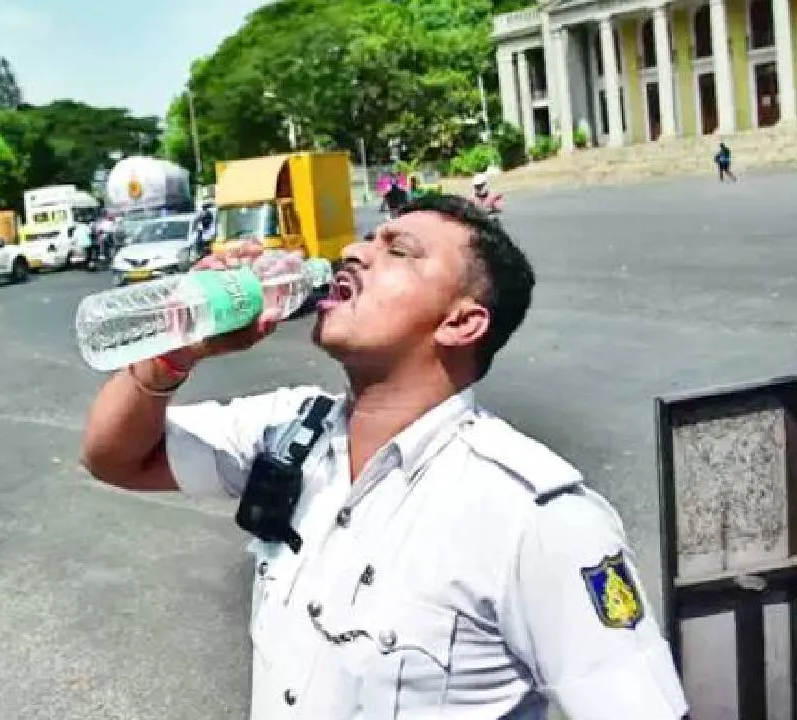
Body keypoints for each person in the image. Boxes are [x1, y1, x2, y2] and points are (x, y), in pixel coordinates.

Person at [80, 195, 688, 719]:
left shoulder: (533, 518)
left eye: (398, 250)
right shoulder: (290, 430)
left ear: (461, 322)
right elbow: (116, 458)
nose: (353, 251)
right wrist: (177, 349)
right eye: (368, 239)